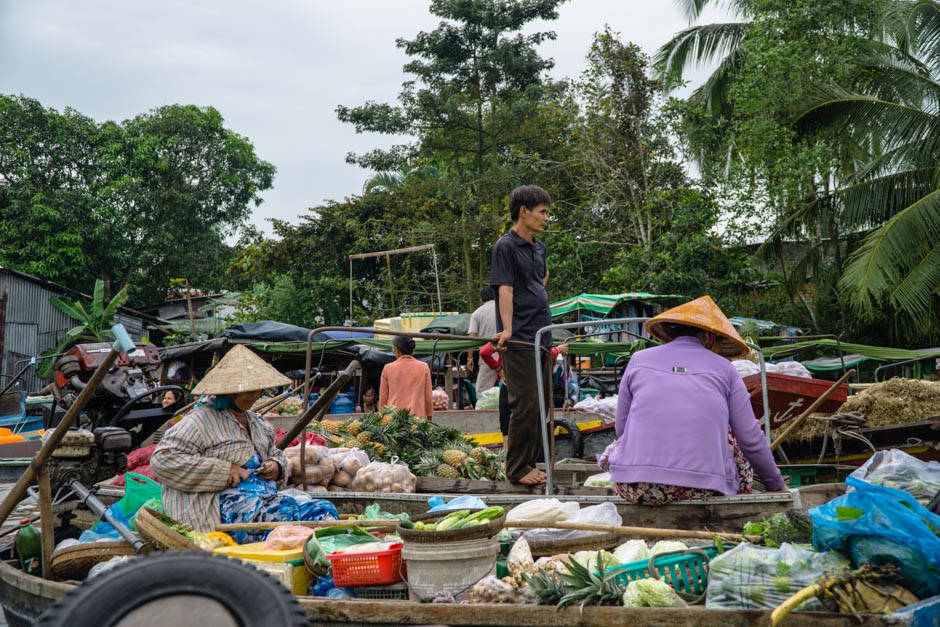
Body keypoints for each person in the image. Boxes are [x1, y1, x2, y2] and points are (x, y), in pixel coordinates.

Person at [603, 295, 786, 505]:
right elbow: (750, 437)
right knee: (731, 435)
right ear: (709, 336)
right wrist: (776, 484)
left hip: (636, 487)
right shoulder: (725, 369)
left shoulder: (638, 360)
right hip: (704, 489)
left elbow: (622, 429)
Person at [151, 345, 292, 532]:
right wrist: (224, 471)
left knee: (322, 510)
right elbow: (163, 460)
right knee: (282, 515)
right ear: (229, 391)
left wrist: (277, 465)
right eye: (249, 391)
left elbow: (274, 452)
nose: (256, 396)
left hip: (265, 501)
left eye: (258, 390)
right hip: (218, 510)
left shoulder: (254, 421)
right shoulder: (199, 421)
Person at [490, 184, 553, 485]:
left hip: (542, 335)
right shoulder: (506, 246)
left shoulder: (538, 247)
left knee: (539, 404)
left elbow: (541, 278)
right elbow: (505, 288)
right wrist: (507, 328)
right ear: (523, 212)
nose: (546, 217)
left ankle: (529, 463)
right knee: (524, 403)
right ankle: (516, 469)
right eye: (542, 212)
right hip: (520, 337)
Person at [481, 341, 568, 453]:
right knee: (527, 424)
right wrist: (557, 350)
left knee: (507, 427)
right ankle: (525, 460)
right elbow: (537, 355)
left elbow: (484, 352)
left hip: (508, 386)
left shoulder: (504, 339)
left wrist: (500, 370)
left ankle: (507, 460)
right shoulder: (524, 338)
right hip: (525, 387)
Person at [379, 336, 433, 418]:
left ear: (397, 349)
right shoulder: (424, 367)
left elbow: (383, 397)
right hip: (417, 419)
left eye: (393, 347)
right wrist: (429, 416)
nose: (392, 350)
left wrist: (382, 417)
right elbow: (428, 396)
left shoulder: (388, 368)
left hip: (394, 420)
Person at [467, 287, 499, 394]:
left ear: (481, 299)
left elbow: (472, 337)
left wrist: (470, 358)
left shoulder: (477, 313)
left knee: (482, 391)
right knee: (510, 386)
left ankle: (484, 410)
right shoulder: (504, 309)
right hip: (507, 353)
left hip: (487, 356)